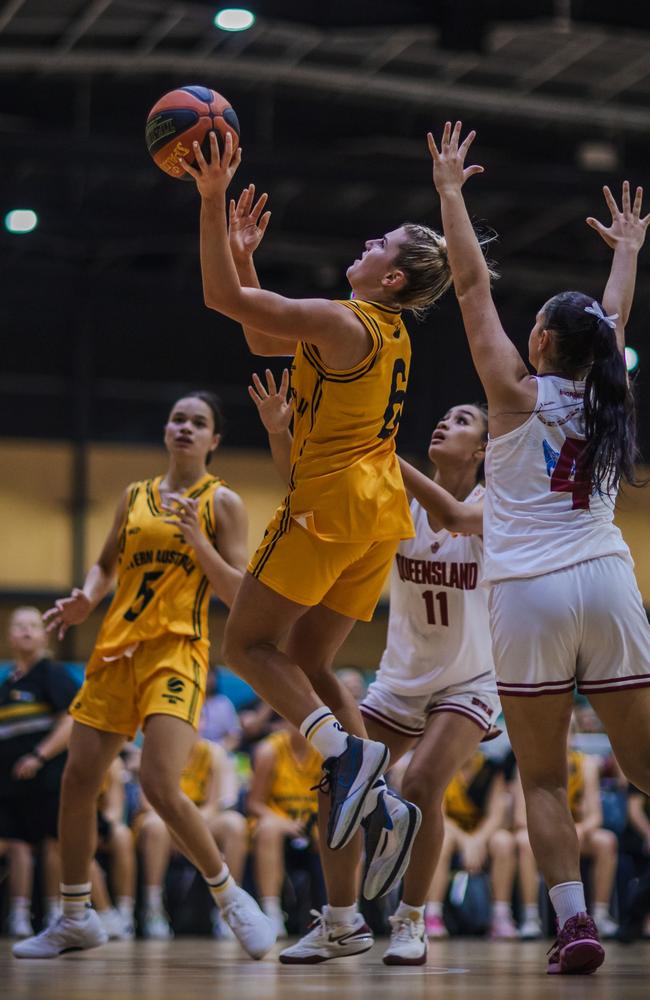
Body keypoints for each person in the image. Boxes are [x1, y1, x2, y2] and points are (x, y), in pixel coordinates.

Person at [180, 133, 455, 947]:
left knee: (248, 647)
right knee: (308, 661)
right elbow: (263, 333)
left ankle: (343, 753)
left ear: (393, 277)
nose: (364, 246)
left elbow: (221, 303)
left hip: (325, 509)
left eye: (379, 246)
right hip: (376, 517)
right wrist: (245, 262)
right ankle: (376, 789)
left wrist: (207, 202)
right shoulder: (388, 332)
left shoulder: (343, 320)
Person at [429, 120, 650, 974]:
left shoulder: (513, 395)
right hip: (606, 580)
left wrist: (451, 192)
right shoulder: (608, 391)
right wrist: (626, 253)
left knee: (546, 779)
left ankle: (574, 926)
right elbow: (615, 314)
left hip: (527, 592)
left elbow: (469, 282)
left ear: (546, 345)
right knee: (641, 766)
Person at [14, 392, 275, 961]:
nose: (185, 427)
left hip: (177, 650)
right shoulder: (134, 497)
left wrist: (200, 544)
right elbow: (105, 564)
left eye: (198, 422)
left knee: (159, 783)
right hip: (115, 650)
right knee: (77, 780)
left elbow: (239, 593)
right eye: (178, 419)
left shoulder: (221, 501)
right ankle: (77, 916)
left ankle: (232, 899)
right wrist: (86, 597)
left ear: (214, 441)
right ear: (166, 431)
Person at [253, 376, 502, 961]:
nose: (445, 423)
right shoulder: (400, 502)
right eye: (443, 417)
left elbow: (453, 519)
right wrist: (281, 433)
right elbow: (311, 491)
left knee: (420, 786)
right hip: (399, 679)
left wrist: (384, 453)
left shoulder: (499, 504)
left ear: (485, 450)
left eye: (462, 420)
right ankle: (342, 922)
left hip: (469, 681)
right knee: (337, 779)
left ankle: (412, 920)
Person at [0, 607, 80, 937]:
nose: (28, 631)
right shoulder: (8, 682)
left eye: (34, 625)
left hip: (47, 776)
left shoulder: (53, 673)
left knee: (52, 843)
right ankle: (18, 915)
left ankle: (55, 913)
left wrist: (38, 755)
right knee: (15, 843)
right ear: (9, 635)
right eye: (20, 626)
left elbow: (72, 719)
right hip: (9, 782)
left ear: (45, 634)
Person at [135, 737, 248, 939]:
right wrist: (179, 827)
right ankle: (153, 908)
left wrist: (187, 827)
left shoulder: (213, 753)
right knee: (155, 824)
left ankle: (231, 908)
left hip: (202, 820)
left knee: (235, 824)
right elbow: (147, 803)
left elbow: (218, 804)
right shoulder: (155, 748)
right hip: (163, 822)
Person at [514, 737, 619, 939]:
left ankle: (601, 914)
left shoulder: (586, 764)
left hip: (579, 830)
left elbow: (595, 816)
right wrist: (557, 834)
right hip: (541, 833)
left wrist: (571, 832)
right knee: (524, 842)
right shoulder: (529, 760)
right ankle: (530, 917)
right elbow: (520, 818)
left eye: (568, 730)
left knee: (607, 841)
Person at [426, 751, 516, 940]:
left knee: (504, 842)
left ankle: (501, 916)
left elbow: (496, 815)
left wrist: (477, 840)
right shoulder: (440, 764)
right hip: (451, 832)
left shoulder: (491, 766)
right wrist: (467, 842)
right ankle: (433, 914)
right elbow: (438, 814)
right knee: (441, 841)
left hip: (481, 833)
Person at [247, 721, 323, 938]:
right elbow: (254, 804)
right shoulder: (269, 751)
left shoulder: (325, 751)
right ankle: (271, 912)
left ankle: (346, 912)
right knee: (268, 829)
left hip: (313, 822)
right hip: (277, 821)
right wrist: (285, 823)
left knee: (342, 830)